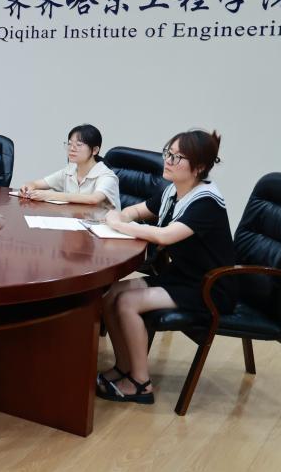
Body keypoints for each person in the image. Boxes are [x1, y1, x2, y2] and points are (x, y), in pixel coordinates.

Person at [96, 130, 235, 404]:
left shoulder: (206, 202)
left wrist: (120, 225)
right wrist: (123, 215)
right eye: (168, 153)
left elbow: (165, 236)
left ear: (199, 167)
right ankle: (124, 367)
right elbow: (139, 210)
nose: (168, 161)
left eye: (177, 157)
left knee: (127, 303)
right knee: (110, 294)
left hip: (209, 287)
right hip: (181, 276)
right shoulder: (173, 191)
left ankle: (140, 383)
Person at [19, 124, 121, 209]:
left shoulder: (106, 176)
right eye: (69, 144)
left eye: (78, 145)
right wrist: (29, 187)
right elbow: (38, 183)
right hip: (74, 221)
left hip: (102, 225)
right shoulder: (70, 170)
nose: (71, 149)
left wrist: (50, 195)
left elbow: (93, 199)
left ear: (94, 150)